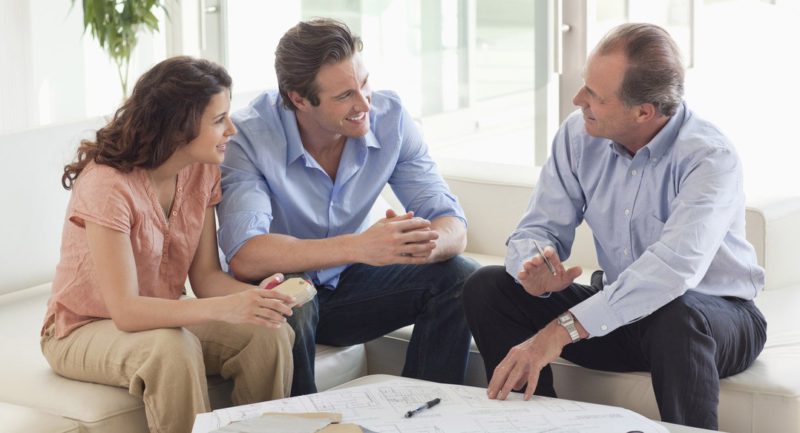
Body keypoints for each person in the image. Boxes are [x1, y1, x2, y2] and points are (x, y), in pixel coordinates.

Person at [462, 23, 767, 430]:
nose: (577, 100)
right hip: (624, 314)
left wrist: (558, 332)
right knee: (488, 287)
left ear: (644, 112)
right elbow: (537, 228)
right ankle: (534, 424)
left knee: (674, 314)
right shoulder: (577, 135)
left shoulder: (709, 158)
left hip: (714, 321)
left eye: (594, 97)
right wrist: (534, 267)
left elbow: (670, 274)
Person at [217, 18, 479, 396]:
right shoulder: (249, 139)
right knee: (295, 296)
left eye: (365, 83)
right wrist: (360, 247)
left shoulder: (391, 120)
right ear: (299, 99)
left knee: (461, 276)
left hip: (353, 289)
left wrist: (419, 243)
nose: (364, 103)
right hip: (283, 289)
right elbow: (245, 255)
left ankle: (423, 415)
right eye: (344, 96)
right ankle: (307, 423)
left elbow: (451, 221)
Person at [41, 56, 295, 433]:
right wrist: (228, 307)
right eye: (218, 120)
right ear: (178, 129)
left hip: (161, 316)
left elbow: (206, 279)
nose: (232, 130)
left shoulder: (202, 168)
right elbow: (125, 312)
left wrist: (257, 300)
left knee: (267, 331)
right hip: (83, 328)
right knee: (172, 349)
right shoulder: (107, 184)